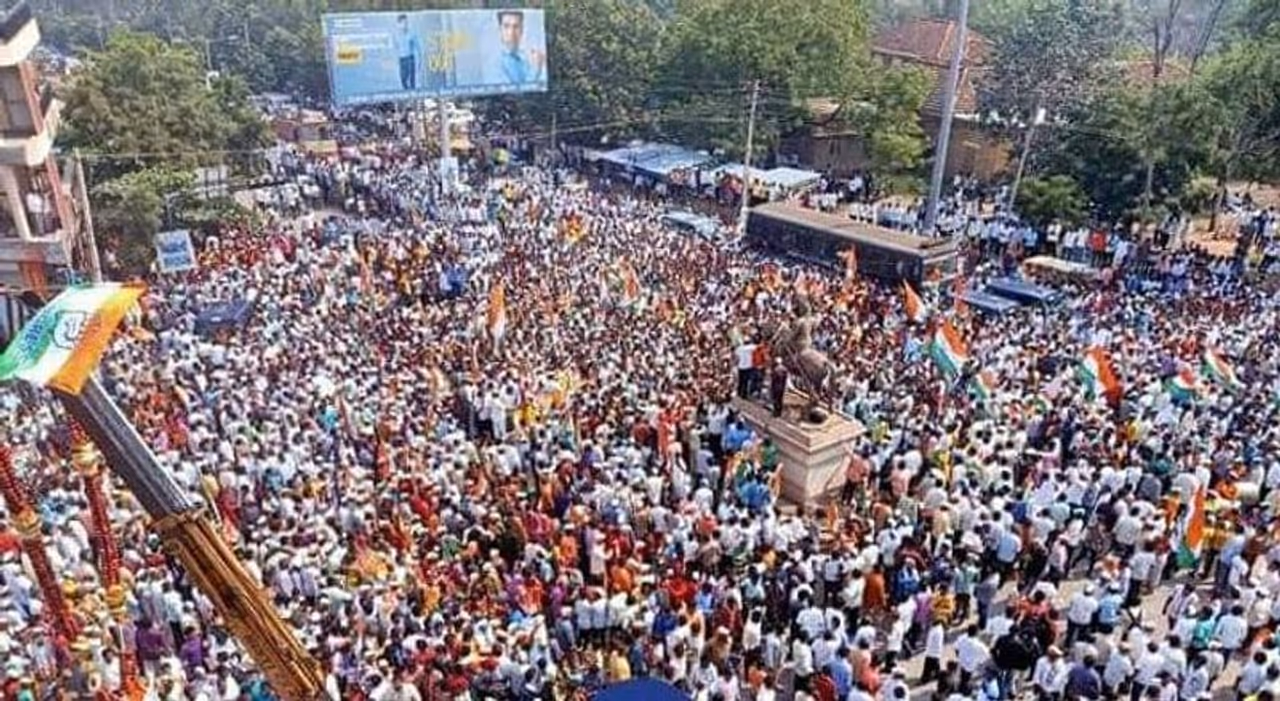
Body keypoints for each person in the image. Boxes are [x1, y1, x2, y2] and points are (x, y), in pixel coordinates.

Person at [494, 10, 544, 85]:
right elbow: (513, 90)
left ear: (522, 30)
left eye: (516, 27)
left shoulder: (526, 57)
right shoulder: (495, 63)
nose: (511, 33)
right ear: (500, 30)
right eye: (506, 26)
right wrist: (535, 69)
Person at [394, 14, 421, 91]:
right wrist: (396, 60)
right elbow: (396, 49)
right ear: (399, 24)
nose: (405, 25)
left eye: (406, 23)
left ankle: (413, 94)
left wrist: (419, 61)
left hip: (410, 59)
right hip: (402, 59)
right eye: (403, 23)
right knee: (403, 79)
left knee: (411, 80)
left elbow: (418, 48)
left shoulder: (411, 34)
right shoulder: (396, 36)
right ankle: (406, 93)